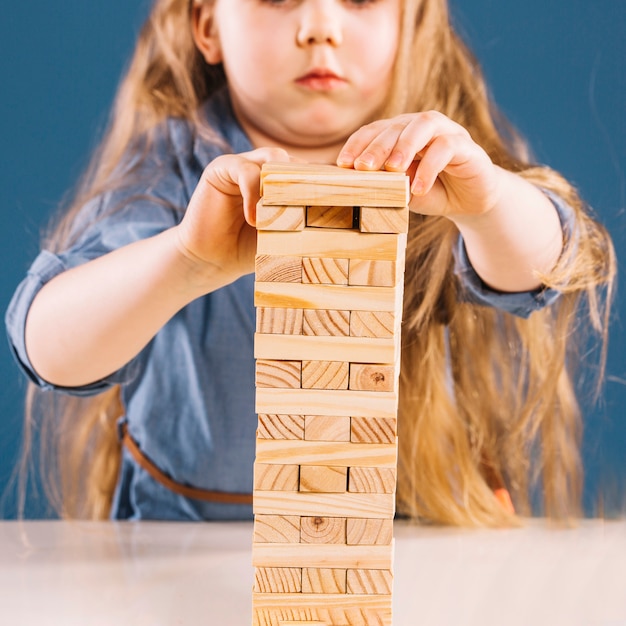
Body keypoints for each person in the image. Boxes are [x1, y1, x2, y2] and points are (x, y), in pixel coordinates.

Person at [5, 0, 615, 525]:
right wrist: (186, 259)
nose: (320, 27)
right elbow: (46, 344)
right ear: (208, 25)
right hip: (187, 542)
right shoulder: (173, 169)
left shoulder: (442, 161)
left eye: (361, 0)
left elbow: (545, 267)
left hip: (408, 538)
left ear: (411, 22)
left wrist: (485, 204)